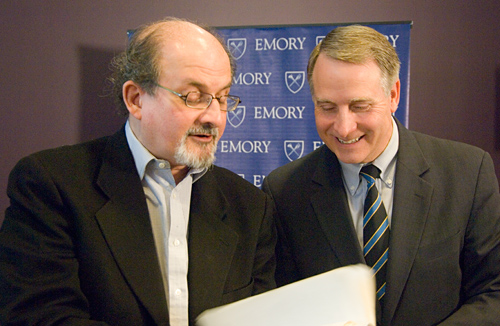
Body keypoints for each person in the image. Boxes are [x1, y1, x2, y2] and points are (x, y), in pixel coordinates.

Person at [0, 17, 276, 326]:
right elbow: (41, 318)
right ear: (136, 99)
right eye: (194, 97)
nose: (214, 117)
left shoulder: (250, 207)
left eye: (222, 98)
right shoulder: (52, 183)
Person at [262, 25, 500, 325]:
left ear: (393, 95)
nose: (344, 127)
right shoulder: (285, 190)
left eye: (360, 106)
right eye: (327, 107)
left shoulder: (466, 171)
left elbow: (493, 291)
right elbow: (282, 303)